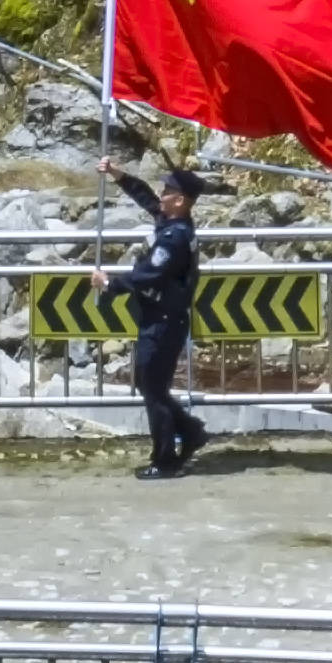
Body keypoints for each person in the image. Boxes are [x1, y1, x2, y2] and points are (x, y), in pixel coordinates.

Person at [108, 156, 209, 476]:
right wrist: (117, 175)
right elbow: (147, 198)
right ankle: (190, 431)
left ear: (180, 201)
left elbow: (150, 274)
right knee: (151, 385)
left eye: (168, 192)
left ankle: (165, 460)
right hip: (159, 319)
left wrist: (110, 283)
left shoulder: (175, 236)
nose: (161, 196)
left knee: (153, 388)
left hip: (165, 322)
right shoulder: (170, 222)